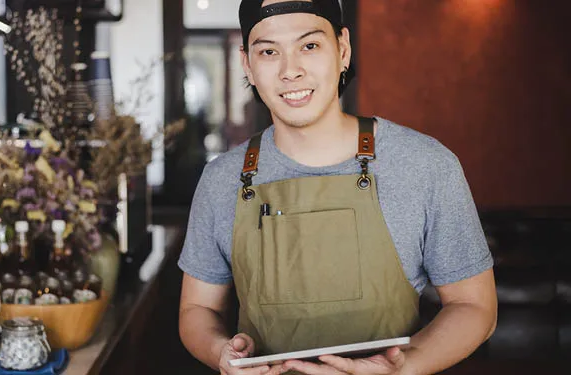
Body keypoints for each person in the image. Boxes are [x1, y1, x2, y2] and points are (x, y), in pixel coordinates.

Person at [177, 0, 498, 374]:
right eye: (268, 52)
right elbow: (197, 308)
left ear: (342, 50)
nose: (290, 71)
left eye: (309, 46)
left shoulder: (426, 166)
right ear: (247, 63)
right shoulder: (222, 179)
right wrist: (220, 351)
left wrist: (405, 367)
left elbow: (475, 307)